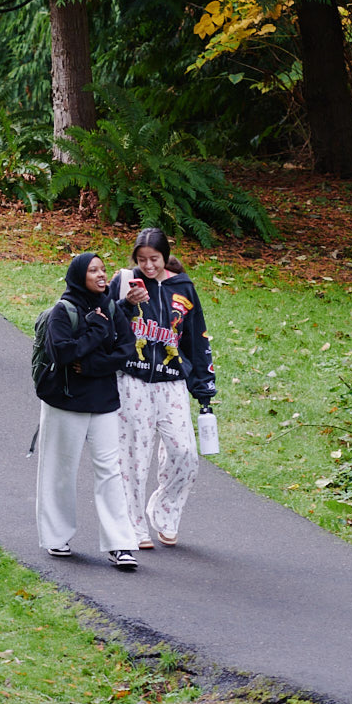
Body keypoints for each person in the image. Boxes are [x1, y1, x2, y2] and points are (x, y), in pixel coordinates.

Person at [109, 228, 217, 548]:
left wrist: (204, 388)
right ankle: (133, 525)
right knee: (134, 459)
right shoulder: (125, 280)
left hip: (171, 382)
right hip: (132, 379)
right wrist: (128, 303)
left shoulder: (183, 288)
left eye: (154, 259)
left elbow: (197, 338)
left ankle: (164, 510)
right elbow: (105, 322)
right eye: (142, 260)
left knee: (185, 453)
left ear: (165, 256)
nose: (148, 266)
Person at [36, 252, 140, 571]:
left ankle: (120, 544)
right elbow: (64, 353)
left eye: (103, 269)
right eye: (93, 270)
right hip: (65, 402)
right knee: (60, 470)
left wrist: (92, 363)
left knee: (110, 470)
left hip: (104, 401)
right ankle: (56, 536)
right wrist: (95, 334)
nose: (101, 275)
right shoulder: (62, 311)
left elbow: (125, 350)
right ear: (79, 275)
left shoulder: (110, 307)